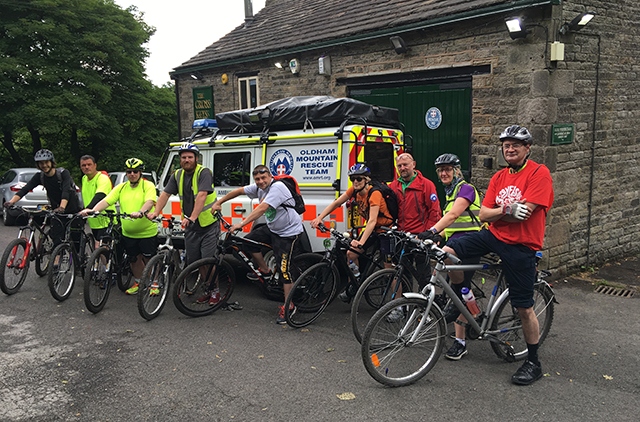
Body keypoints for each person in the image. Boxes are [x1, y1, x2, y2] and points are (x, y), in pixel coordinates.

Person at [443, 125, 554, 385]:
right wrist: (506, 208)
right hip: (494, 236)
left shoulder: (540, 173)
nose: (510, 149)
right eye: (506, 145)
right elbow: (484, 214)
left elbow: (525, 212)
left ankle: (533, 361)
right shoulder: (499, 177)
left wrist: (502, 211)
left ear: (527, 148)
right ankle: (463, 299)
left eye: (516, 144)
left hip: (522, 245)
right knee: (447, 253)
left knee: (524, 307)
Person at [211, 164, 303, 324]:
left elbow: (262, 208)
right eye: (257, 179)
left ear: (270, 176)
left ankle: (289, 306)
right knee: (247, 243)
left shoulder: (277, 187)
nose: (260, 181)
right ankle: (266, 271)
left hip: (289, 233)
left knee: (284, 271)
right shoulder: (259, 187)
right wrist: (219, 202)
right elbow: (238, 191)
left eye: (263, 178)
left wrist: (242, 223)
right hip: (273, 229)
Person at [421, 153, 483, 359]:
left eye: (448, 169)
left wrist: (432, 230)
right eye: (440, 170)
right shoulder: (449, 193)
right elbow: (448, 226)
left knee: (445, 258)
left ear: (458, 170)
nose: (444, 173)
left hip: (471, 243)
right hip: (456, 243)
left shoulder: (466, 189)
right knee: (463, 290)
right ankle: (473, 311)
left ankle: (460, 342)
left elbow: (453, 215)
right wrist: (430, 237)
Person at [148, 142, 221, 304]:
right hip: (191, 226)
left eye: (190, 157)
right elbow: (165, 194)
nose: (186, 160)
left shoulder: (204, 172)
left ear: (196, 158)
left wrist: (193, 217)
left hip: (208, 224)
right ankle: (207, 288)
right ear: (180, 160)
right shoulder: (177, 175)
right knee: (195, 261)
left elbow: (202, 195)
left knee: (207, 260)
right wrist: (155, 212)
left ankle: (215, 291)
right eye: (183, 157)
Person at [311, 164, 394, 303]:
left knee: (389, 269)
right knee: (351, 253)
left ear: (367, 180)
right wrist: (320, 217)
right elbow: (337, 203)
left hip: (386, 231)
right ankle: (355, 283)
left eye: (359, 179)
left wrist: (361, 242)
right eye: (352, 179)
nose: (355, 182)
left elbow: (372, 220)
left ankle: (397, 306)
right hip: (372, 229)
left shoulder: (375, 193)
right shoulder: (354, 191)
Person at [82, 158, 158, 295]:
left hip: (146, 232)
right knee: (133, 260)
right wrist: (93, 210)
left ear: (140, 172)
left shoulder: (148, 186)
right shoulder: (121, 187)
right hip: (128, 232)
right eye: (129, 171)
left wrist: (141, 212)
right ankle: (139, 282)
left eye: (135, 171)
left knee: (148, 259)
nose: (132, 174)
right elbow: (107, 200)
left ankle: (154, 283)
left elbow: (150, 201)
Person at [4, 149, 82, 248]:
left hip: (72, 209)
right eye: (41, 163)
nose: (44, 165)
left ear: (52, 162)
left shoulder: (63, 173)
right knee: (57, 241)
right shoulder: (40, 177)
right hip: (56, 210)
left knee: (76, 242)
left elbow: (66, 191)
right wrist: (11, 202)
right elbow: (25, 189)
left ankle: (79, 261)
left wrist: (62, 207)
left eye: (46, 162)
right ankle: (56, 261)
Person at [390, 153, 441, 235]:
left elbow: (434, 211)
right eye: (399, 166)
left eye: (405, 165)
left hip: (419, 234)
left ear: (413, 164)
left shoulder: (426, 185)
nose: (402, 168)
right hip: (399, 234)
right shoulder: (393, 186)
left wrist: (429, 232)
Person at [79, 155, 114, 247]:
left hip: (105, 219)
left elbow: (100, 195)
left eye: (89, 164)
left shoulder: (102, 178)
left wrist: (88, 209)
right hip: (93, 220)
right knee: (99, 249)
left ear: (95, 165)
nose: (86, 167)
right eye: (83, 165)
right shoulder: (84, 178)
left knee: (101, 248)